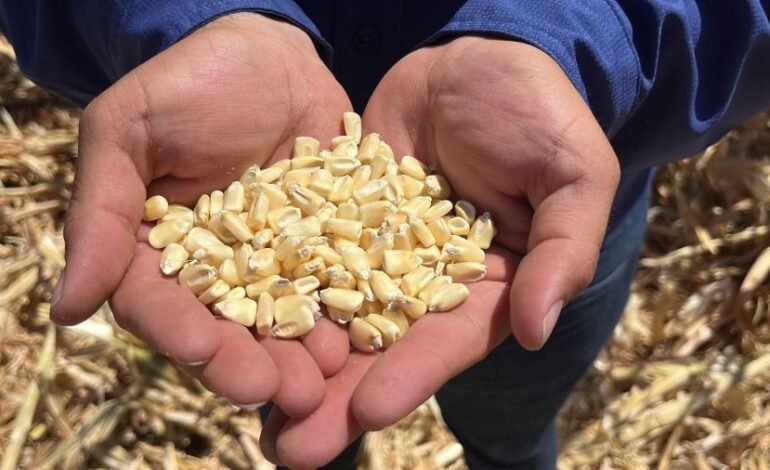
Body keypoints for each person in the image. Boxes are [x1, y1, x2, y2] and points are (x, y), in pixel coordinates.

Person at [2, 2, 768, 468]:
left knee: (513, 421)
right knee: (307, 412)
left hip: (532, 203)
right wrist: (180, 16)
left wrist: (577, 37)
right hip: (354, 204)